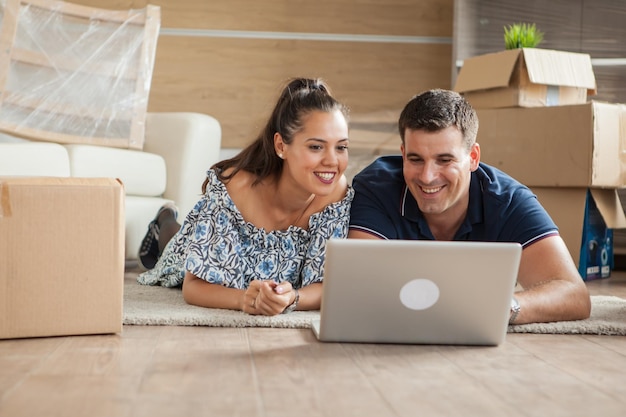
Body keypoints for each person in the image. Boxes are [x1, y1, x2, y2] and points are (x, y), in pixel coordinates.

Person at [348, 89, 591, 325]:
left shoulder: (508, 200)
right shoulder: (376, 188)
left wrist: (505, 306)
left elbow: (574, 294)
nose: (427, 176)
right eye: (415, 159)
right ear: (402, 154)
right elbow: (358, 282)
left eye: (445, 160)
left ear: (473, 157)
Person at [136, 77, 353, 316]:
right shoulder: (236, 187)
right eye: (316, 147)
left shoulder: (335, 193)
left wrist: (293, 298)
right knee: (174, 252)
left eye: (341, 147)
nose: (332, 161)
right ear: (281, 146)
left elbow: (327, 285)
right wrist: (245, 301)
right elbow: (194, 287)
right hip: (188, 247)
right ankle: (165, 219)